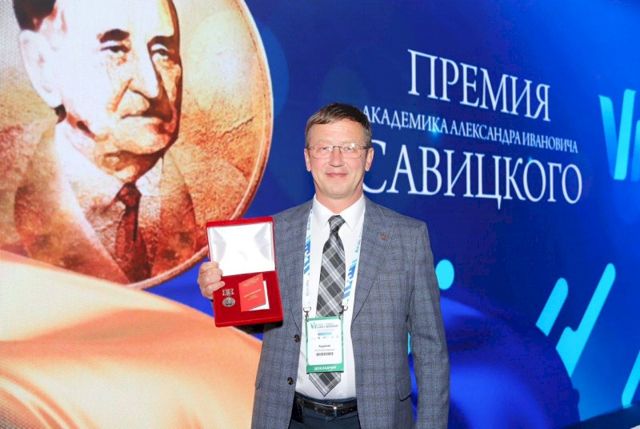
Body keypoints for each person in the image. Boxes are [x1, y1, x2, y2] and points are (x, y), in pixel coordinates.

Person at [198, 103, 449, 428]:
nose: (336, 159)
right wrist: (222, 294)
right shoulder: (273, 233)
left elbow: (431, 349)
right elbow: (258, 320)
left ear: (368, 158)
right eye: (324, 148)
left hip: (376, 418)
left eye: (349, 147)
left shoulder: (408, 238)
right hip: (288, 417)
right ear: (307, 159)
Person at [9, 0, 197, 284]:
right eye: (115, 49)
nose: (152, 87)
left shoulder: (228, 190)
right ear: (43, 66)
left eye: (162, 52)